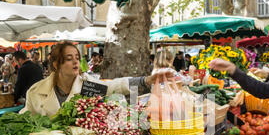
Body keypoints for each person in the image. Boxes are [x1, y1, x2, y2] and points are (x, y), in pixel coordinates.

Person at [20, 41, 173, 116]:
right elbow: (26, 119)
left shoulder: (87, 85)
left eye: (77, 58)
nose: (75, 62)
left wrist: (146, 80)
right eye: (68, 58)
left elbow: (113, 86)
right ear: (56, 64)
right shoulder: (35, 92)